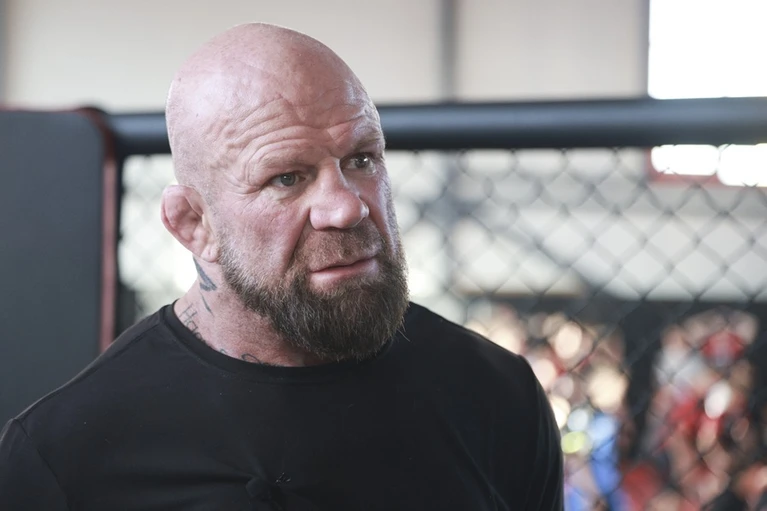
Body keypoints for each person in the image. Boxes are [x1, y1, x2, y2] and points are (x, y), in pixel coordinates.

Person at [0, 23, 563, 510]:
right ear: (194, 224)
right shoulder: (64, 457)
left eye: (362, 159)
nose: (346, 207)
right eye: (287, 178)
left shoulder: (495, 396)